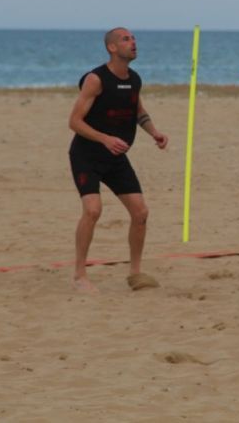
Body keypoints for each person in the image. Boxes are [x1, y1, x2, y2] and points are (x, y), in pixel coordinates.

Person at [68, 27, 168, 292]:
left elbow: (138, 111)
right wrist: (104, 138)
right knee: (93, 210)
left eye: (134, 38)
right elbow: (74, 122)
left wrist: (154, 132)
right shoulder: (95, 80)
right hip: (87, 155)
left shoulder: (134, 79)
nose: (133, 42)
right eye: (126, 39)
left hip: (115, 159)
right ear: (112, 48)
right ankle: (79, 275)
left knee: (141, 212)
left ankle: (135, 273)